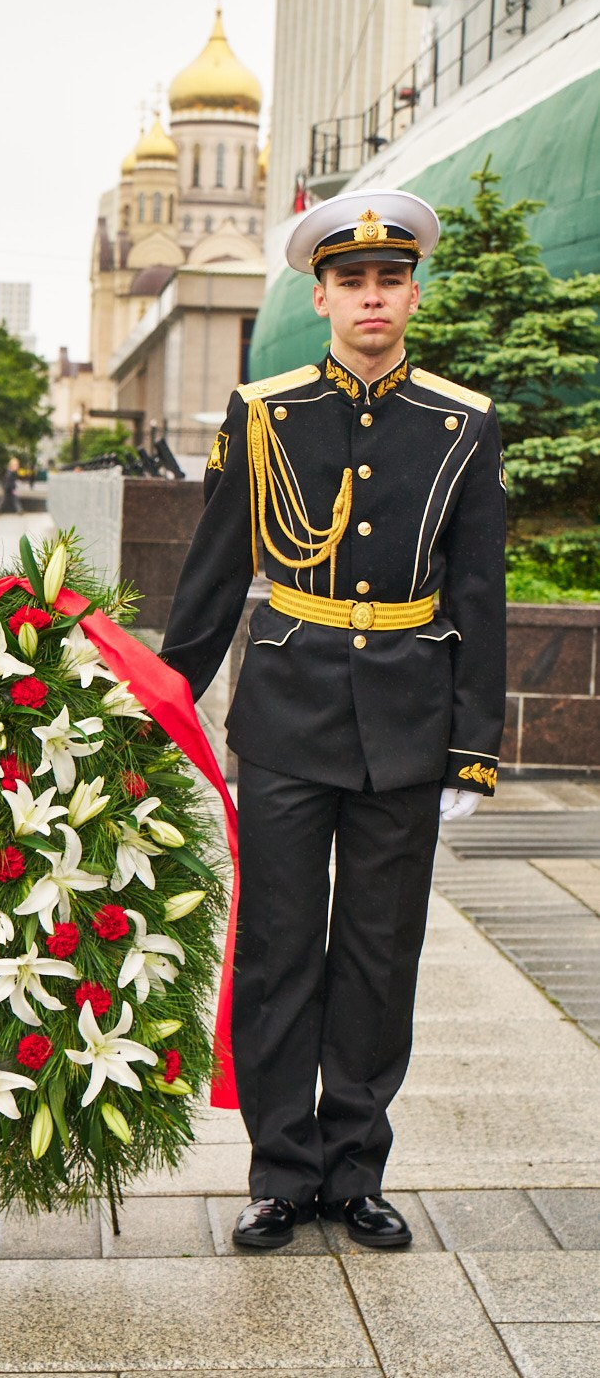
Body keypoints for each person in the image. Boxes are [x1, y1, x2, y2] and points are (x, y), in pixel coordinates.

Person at [162, 190, 506, 1250]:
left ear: (411, 294)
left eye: (388, 280)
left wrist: (471, 748)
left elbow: (478, 594)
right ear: (318, 297)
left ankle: (355, 1166)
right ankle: (280, 1169)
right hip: (285, 712)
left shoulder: (461, 422)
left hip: (407, 716)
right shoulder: (265, 413)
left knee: (377, 951)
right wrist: (157, 705)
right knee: (274, 947)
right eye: (349, 281)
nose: (370, 297)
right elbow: (214, 577)